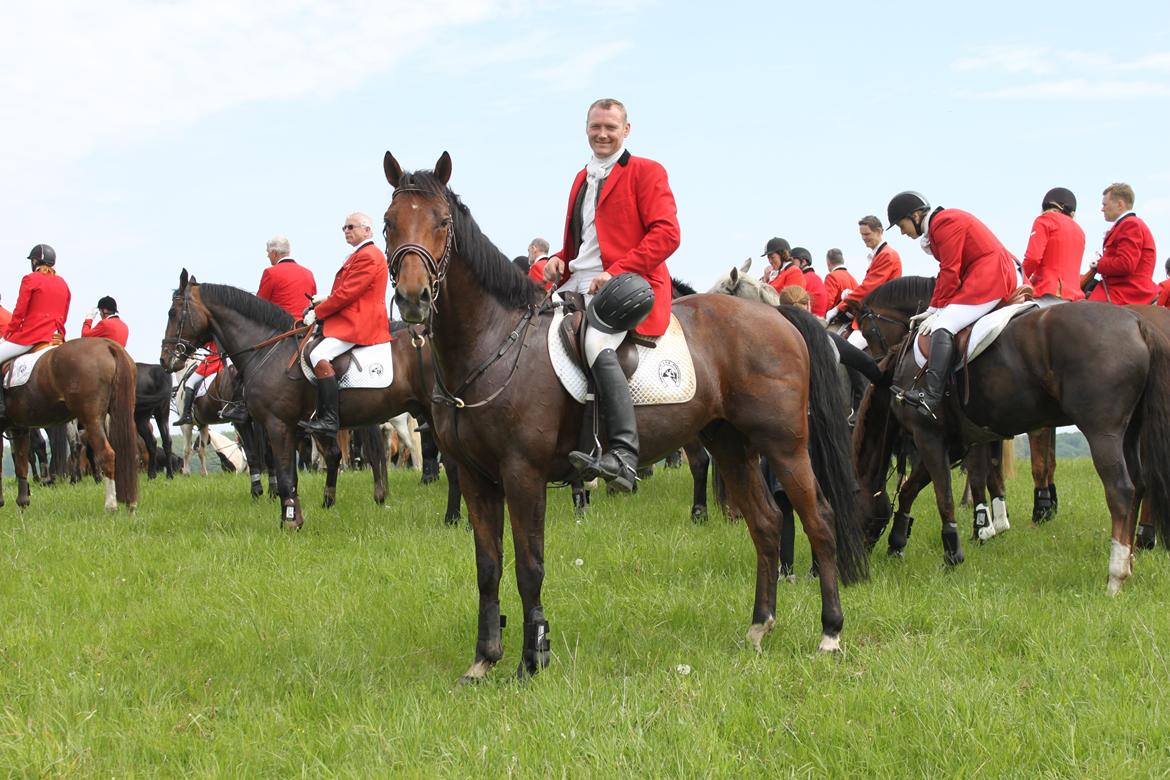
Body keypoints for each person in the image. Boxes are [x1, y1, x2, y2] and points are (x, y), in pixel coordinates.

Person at [542, 98, 680, 491]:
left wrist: (615, 272)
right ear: (586, 128)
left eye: (611, 127)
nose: (602, 134)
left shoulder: (647, 171)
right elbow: (580, 243)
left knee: (595, 338)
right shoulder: (580, 178)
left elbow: (668, 235)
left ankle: (622, 455)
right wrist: (558, 261)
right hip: (576, 283)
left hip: (631, 284)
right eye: (595, 127)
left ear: (626, 130)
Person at [886, 191, 1018, 418]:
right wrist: (931, 308)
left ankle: (931, 397)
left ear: (916, 216)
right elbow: (945, 272)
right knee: (939, 319)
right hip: (981, 274)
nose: (902, 232)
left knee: (943, 325)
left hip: (990, 276)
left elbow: (950, 270)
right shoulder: (938, 226)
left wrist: (938, 312)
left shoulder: (945, 222)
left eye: (901, 224)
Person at [299, 212, 391, 435]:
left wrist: (319, 313)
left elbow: (348, 293)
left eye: (351, 227)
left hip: (361, 322)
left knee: (317, 355)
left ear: (367, 230)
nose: (346, 231)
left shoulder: (368, 255)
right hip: (352, 316)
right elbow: (345, 291)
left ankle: (329, 419)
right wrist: (323, 299)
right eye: (344, 228)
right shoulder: (358, 254)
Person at [0, 245, 71, 419]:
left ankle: (1, 407)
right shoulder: (63, 283)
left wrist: (7, 334)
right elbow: (64, 313)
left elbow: (19, 312)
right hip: (55, 337)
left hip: (32, 336)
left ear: (34, 261)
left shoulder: (30, 279)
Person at [831, 215, 903, 349]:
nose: (864, 238)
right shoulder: (878, 255)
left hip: (879, 316)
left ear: (879, 232)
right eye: (862, 234)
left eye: (867, 234)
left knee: (849, 350)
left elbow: (869, 288)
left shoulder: (886, 255)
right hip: (874, 312)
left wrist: (838, 307)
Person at [1086, 183, 1158, 305]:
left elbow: (1126, 264)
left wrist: (1099, 264)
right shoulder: (1127, 224)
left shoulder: (1130, 224)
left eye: (1105, 204)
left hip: (1126, 291)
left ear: (1120, 204)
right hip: (1122, 288)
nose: (1102, 209)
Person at [1022, 187, 1085, 301]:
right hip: (1074, 297)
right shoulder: (1080, 231)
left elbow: (1033, 258)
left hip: (1048, 290)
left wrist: (1020, 278)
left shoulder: (1045, 220)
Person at [257, 235, 317, 319]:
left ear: (274, 253)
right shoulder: (308, 273)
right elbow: (314, 301)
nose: (268, 256)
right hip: (306, 326)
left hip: (283, 328)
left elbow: (259, 305)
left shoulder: (270, 272)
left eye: (268, 252)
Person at [174, 340, 222, 426]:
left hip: (213, 361)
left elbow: (200, 343)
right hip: (225, 360)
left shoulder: (210, 331)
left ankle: (186, 415)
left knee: (190, 383)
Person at [792, 246, 828, 317]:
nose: (790, 265)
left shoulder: (803, 278)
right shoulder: (815, 277)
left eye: (792, 262)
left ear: (804, 262)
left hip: (808, 318)